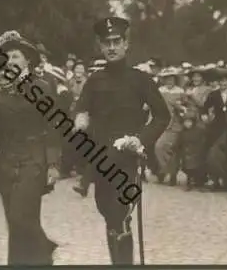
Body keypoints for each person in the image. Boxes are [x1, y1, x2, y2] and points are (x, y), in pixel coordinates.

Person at [73, 17, 170, 264]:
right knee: (110, 216)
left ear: (126, 44)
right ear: (100, 46)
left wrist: (140, 140)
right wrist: (80, 119)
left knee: (120, 214)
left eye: (117, 41)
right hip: (100, 161)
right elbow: (81, 110)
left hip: (128, 161)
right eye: (107, 43)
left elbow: (162, 116)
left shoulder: (140, 80)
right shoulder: (94, 81)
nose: (112, 47)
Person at [0, 31, 60, 265]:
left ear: (27, 61)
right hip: (6, 160)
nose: (11, 61)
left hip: (33, 160)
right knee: (13, 222)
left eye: (16, 56)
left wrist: (54, 164)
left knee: (22, 216)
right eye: (7, 57)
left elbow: (54, 127)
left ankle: (45, 249)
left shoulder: (43, 87)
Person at [154, 66, 185, 186]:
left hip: (175, 124)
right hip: (161, 123)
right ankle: (166, 170)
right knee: (159, 147)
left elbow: (185, 108)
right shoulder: (160, 90)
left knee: (170, 149)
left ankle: (172, 173)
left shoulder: (180, 91)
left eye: (171, 79)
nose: (169, 81)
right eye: (167, 79)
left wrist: (180, 107)